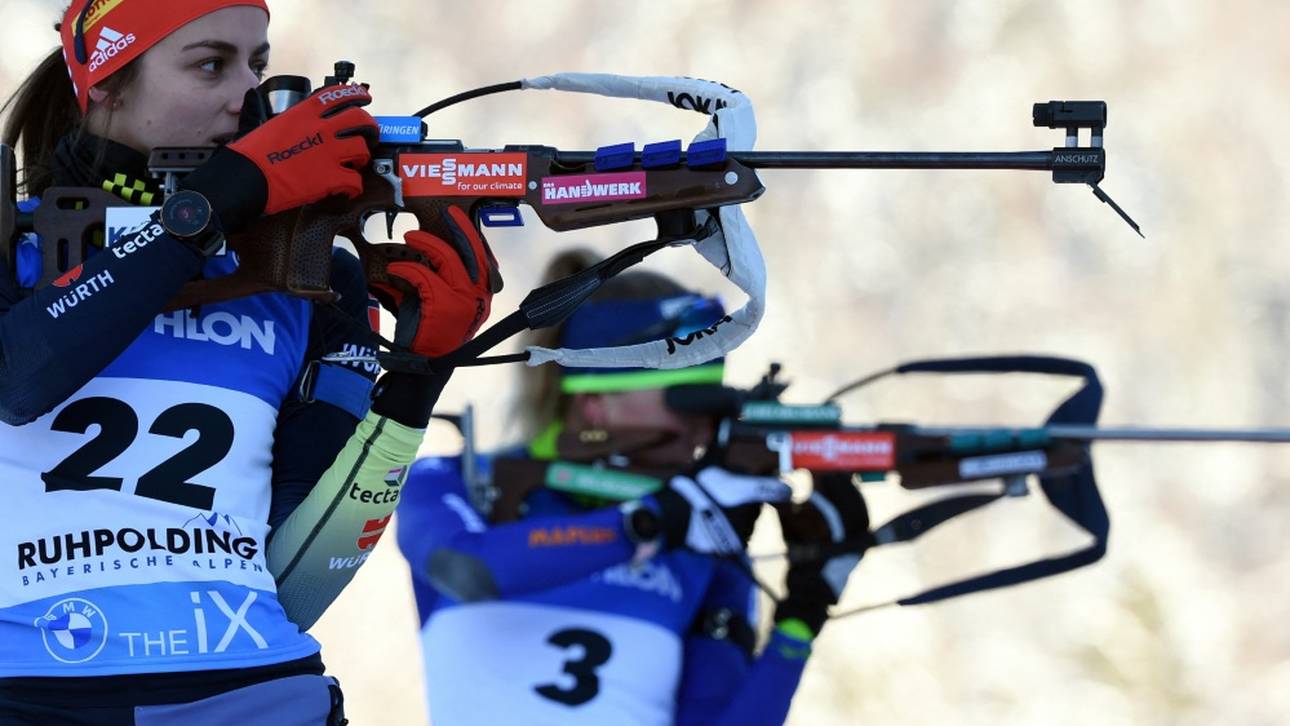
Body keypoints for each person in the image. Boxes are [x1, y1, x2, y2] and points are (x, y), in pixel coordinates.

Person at [0, 1, 495, 722]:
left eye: (257, 64)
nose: (247, 96)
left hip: (256, 691)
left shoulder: (301, 274)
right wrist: (212, 206)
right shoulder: (15, 248)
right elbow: (18, 378)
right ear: (106, 81)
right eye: (210, 65)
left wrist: (418, 380)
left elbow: (298, 582)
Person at [396, 250, 869, 725]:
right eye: (686, 402)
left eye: (715, 407)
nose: (705, 430)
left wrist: (803, 613)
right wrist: (653, 522)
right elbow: (471, 567)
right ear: (596, 403)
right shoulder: (456, 484)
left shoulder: (697, 534)